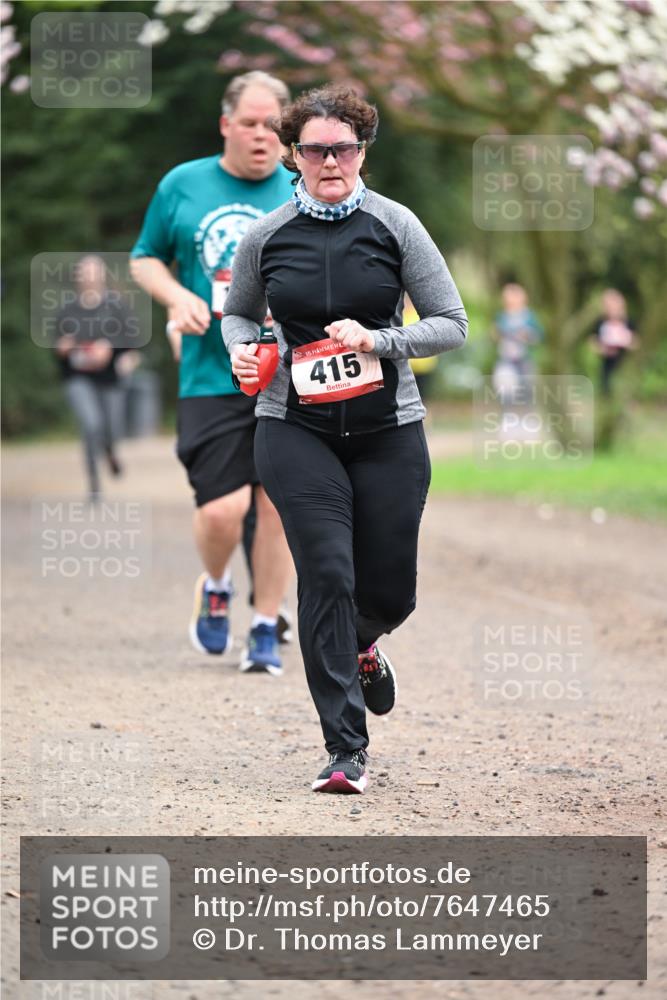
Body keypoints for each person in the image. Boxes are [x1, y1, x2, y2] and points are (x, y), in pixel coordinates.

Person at [221, 85, 467, 793]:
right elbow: (238, 316)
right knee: (326, 574)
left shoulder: (395, 226)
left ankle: (363, 642)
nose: (331, 161)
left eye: (345, 148)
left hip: (388, 430)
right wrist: (246, 350)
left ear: (361, 150)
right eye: (317, 150)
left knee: (390, 589)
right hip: (293, 427)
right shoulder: (265, 236)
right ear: (295, 155)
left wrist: (380, 338)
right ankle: (344, 750)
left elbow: (451, 322)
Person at [130, 72, 295, 675]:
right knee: (222, 511)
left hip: (288, 373)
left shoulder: (305, 189)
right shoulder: (183, 184)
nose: (260, 135)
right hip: (210, 372)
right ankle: (218, 583)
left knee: (278, 504)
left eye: (271, 124)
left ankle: (263, 624)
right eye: (248, 123)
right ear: (226, 124)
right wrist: (175, 297)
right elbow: (144, 257)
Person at [56, 255, 138, 501]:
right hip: (78, 378)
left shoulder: (117, 306)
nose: (89, 276)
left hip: (110, 378)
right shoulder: (67, 309)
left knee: (111, 429)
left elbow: (132, 346)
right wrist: (64, 347)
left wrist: (119, 355)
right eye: (84, 271)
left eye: (94, 271)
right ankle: (93, 485)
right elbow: (58, 346)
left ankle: (111, 451)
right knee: (91, 425)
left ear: (102, 275)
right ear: (77, 277)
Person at [491, 282, 543, 407]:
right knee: (504, 388)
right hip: (506, 359)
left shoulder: (529, 316)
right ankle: (508, 416)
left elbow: (538, 337)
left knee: (526, 390)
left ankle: (527, 417)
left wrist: (527, 336)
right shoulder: (502, 316)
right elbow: (495, 335)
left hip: (524, 359)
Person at [590, 288, 638, 397]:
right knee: (606, 387)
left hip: (624, 361)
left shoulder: (628, 322)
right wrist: (601, 349)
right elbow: (592, 342)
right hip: (605, 363)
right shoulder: (600, 322)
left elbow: (636, 342)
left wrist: (626, 343)